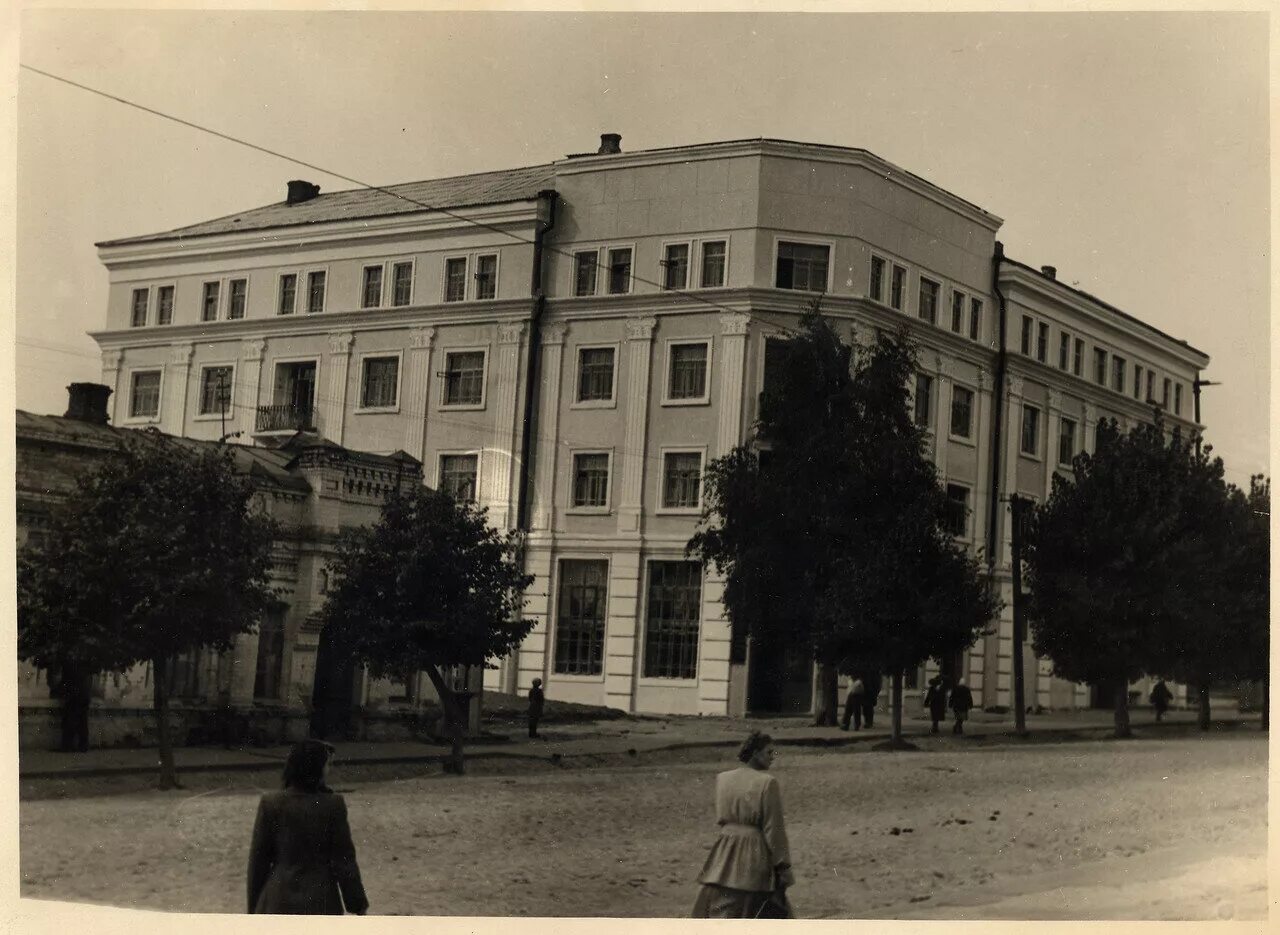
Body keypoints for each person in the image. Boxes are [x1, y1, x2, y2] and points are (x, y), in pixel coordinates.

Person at [247, 739, 369, 915]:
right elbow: (344, 860)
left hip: (278, 898)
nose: (328, 770)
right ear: (318, 769)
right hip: (321, 899)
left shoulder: (271, 803)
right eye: (326, 765)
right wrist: (357, 904)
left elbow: (258, 863)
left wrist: (253, 908)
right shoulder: (333, 805)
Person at [691, 732, 795, 919]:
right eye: (769, 752)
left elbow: (721, 816)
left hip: (725, 850)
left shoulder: (723, 778)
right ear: (755, 753)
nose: (773, 757)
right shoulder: (767, 783)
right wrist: (783, 866)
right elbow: (774, 829)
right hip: (754, 853)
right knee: (762, 908)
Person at [50, 660, 92, 753]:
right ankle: (82, 746)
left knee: (70, 722)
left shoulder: (68, 666)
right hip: (83, 696)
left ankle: (68, 746)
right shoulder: (82, 666)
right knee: (82, 722)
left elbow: (64, 682)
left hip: (74, 697)